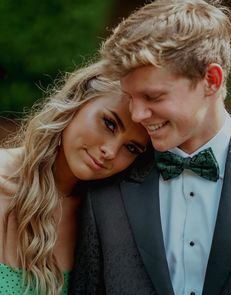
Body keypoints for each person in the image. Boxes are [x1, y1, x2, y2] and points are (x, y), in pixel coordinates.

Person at [70, 1, 231, 294]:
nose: (136, 115)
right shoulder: (107, 185)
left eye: (153, 96)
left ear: (211, 80)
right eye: (130, 96)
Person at [0, 60, 150, 295]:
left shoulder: (105, 215)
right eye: (109, 123)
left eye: (131, 148)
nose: (110, 152)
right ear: (76, 101)